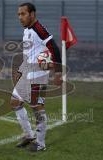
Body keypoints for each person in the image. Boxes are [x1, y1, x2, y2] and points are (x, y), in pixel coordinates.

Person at [10, 2, 62, 152]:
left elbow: (54, 48)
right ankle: (29, 135)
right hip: (27, 73)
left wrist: (57, 72)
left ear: (32, 14)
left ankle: (40, 143)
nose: (20, 17)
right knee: (15, 103)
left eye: (23, 14)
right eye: (19, 14)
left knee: (37, 108)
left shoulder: (39, 29)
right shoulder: (27, 30)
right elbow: (32, 53)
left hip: (38, 76)